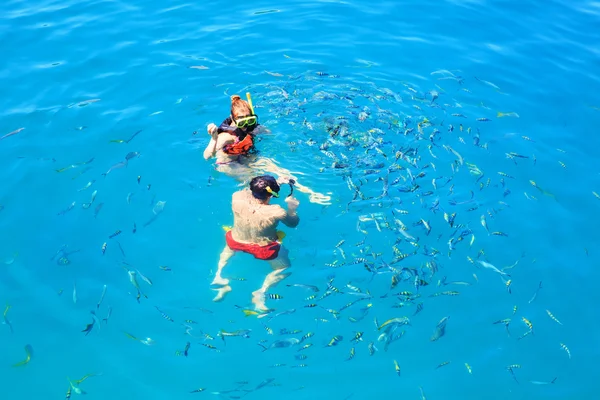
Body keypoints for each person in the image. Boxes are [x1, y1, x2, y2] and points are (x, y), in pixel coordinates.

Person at [203, 93, 332, 205]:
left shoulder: (252, 128)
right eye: (242, 123)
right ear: (232, 119)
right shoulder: (225, 137)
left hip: (246, 156)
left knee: (280, 169)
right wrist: (213, 138)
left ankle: (310, 193)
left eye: (250, 121)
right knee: (257, 182)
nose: (245, 127)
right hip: (229, 164)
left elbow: (270, 134)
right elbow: (207, 156)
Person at [211, 175, 299, 312]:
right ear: (271, 195)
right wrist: (292, 208)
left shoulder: (237, 197)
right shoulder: (277, 211)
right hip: (264, 248)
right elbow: (293, 224)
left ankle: (219, 276)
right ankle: (261, 292)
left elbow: (252, 191)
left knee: (228, 249)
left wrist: (277, 183)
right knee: (284, 268)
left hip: (236, 241)